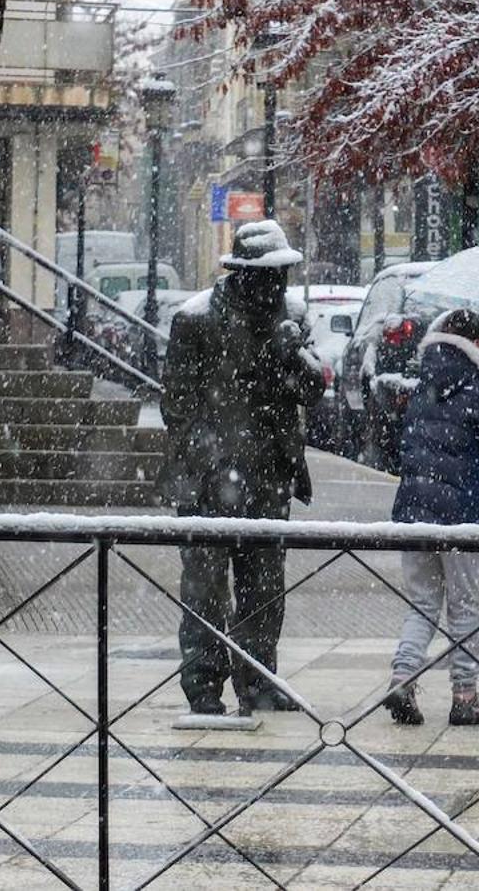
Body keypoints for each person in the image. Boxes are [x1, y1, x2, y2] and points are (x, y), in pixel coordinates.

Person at [158, 220, 325, 717]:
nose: (278, 285)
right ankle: (204, 687)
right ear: (243, 273)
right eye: (268, 275)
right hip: (208, 486)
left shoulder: (291, 318)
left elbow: (313, 392)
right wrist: (212, 462)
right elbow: (177, 407)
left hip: (268, 480)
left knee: (265, 590)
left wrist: (291, 355)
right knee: (205, 592)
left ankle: (258, 681)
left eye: (283, 275)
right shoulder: (196, 320)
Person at [383, 309, 479, 726]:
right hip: (461, 513)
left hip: (415, 511)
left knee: (423, 602)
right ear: (476, 342)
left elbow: (404, 442)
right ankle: (465, 696)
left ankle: (403, 677)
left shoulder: (423, 384)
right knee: (463, 603)